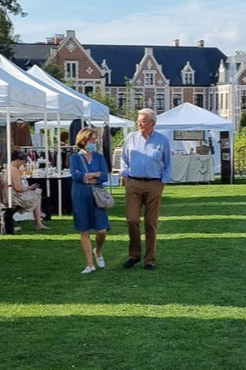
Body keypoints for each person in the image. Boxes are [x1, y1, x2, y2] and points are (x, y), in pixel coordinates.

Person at [120, 107, 172, 270]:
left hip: (153, 184)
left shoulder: (162, 140)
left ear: (152, 123)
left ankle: (150, 259)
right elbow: (123, 159)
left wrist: (162, 182)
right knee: (132, 219)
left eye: (142, 121)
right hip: (133, 183)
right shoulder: (131, 138)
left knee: (151, 223)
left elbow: (168, 163)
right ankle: (134, 255)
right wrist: (125, 174)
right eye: (138, 120)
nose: (139, 124)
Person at [70, 128, 110, 274]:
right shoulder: (75, 157)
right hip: (80, 195)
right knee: (84, 230)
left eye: (94, 140)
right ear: (83, 140)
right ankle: (90, 264)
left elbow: (104, 176)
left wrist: (87, 176)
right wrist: (93, 175)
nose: (93, 142)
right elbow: (75, 176)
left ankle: (98, 250)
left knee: (102, 230)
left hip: (96, 196)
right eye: (91, 140)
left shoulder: (99, 157)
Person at [3, 150, 49, 231]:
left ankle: (39, 217)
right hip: (14, 197)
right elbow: (19, 189)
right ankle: (38, 221)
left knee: (37, 192)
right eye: (23, 161)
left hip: (9, 195)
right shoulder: (14, 170)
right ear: (17, 160)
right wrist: (30, 187)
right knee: (37, 193)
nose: (23, 164)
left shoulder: (9, 168)